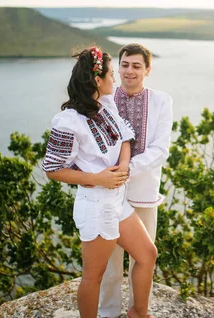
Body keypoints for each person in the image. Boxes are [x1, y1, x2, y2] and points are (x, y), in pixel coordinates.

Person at [42, 47, 157, 318]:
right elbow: (53, 169)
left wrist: (124, 165)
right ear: (97, 80)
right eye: (112, 74)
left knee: (147, 254)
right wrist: (98, 178)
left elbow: (125, 137)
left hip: (117, 202)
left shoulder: (105, 105)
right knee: (93, 277)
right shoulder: (67, 121)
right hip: (95, 206)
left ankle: (138, 313)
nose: (116, 79)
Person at [99, 43, 173, 318]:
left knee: (143, 259)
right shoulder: (102, 100)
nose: (130, 71)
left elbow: (160, 149)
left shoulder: (161, 101)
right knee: (109, 265)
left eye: (137, 66)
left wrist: (126, 170)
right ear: (118, 68)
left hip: (143, 192)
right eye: (125, 65)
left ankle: (138, 311)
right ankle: (108, 313)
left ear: (148, 70)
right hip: (107, 193)